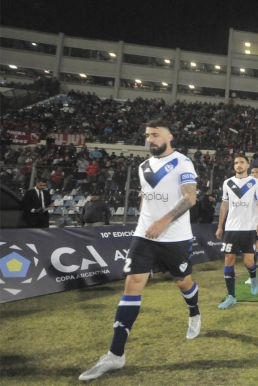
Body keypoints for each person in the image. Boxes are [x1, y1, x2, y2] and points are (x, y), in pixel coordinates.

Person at [79, 120, 201, 381]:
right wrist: (145, 222)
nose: (150, 140)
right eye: (147, 136)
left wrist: (164, 220)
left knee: (183, 282)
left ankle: (194, 312)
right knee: (133, 283)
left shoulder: (183, 163)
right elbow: (146, 196)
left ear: (170, 136)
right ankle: (115, 355)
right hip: (144, 234)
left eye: (155, 135)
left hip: (175, 237)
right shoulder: (143, 166)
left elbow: (190, 197)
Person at [216, 155, 258, 309]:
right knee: (228, 259)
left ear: (248, 165)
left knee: (248, 262)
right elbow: (224, 205)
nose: (238, 165)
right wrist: (220, 226)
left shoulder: (255, 183)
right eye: (236, 163)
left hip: (249, 227)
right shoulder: (227, 183)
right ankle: (231, 296)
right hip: (231, 228)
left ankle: (253, 277)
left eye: (241, 162)